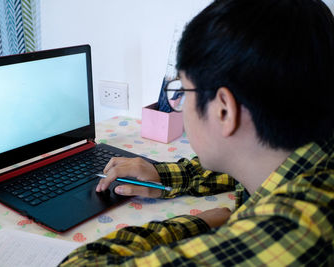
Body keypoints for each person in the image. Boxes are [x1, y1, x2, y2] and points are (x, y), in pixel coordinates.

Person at [61, 0, 334, 265]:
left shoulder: (289, 230)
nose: (181, 105)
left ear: (224, 110)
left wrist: (197, 223)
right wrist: (161, 174)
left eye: (184, 90)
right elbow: (241, 163)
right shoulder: (311, 152)